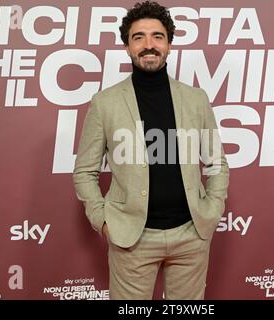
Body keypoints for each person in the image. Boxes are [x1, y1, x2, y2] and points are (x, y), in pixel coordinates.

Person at [73, 1, 229, 300]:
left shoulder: (196, 99)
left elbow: (216, 162)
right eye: (138, 37)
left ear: (169, 45)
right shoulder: (104, 103)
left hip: (191, 234)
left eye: (157, 36)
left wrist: (212, 209)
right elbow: (84, 171)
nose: (149, 45)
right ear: (128, 47)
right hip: (131, 238)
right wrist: (104, 222)